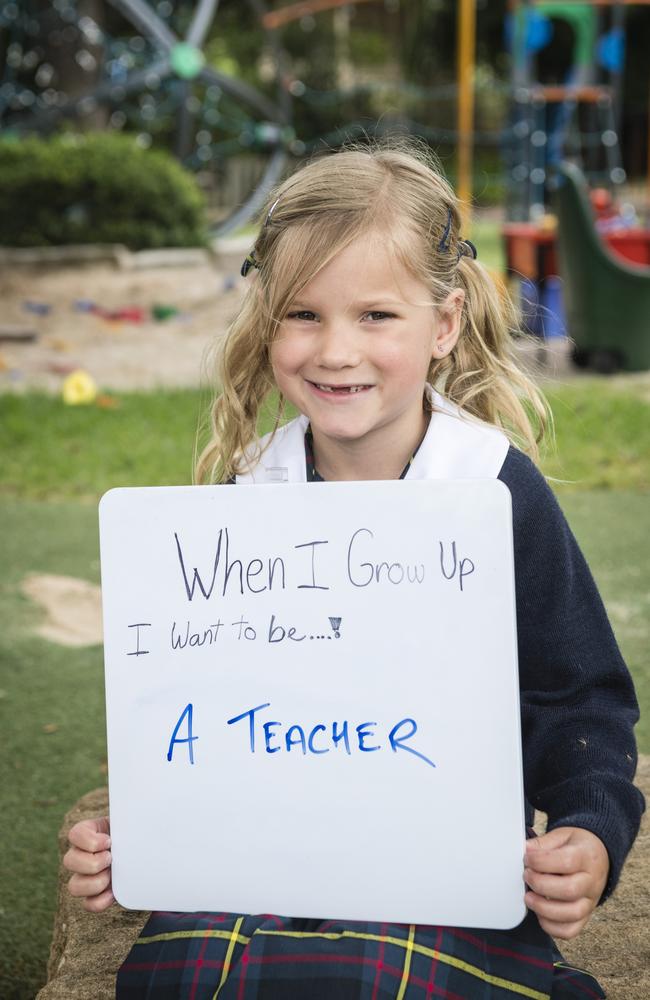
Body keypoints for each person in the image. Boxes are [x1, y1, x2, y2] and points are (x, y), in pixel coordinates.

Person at [64, 141, 644, 999]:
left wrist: (590, 832)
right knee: (180, 979)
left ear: (443, 325)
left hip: (440, 867)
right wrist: (141, 840)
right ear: (266, 323)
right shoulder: (247, 490)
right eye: (302, 314)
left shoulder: (490, 488)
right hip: (258, 865)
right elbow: (197, 717)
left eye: (376, 315)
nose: (336, 352)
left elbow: (580, 696)